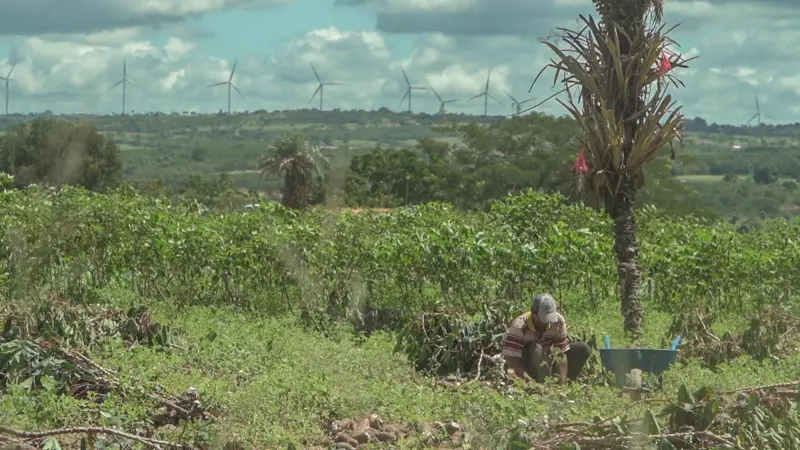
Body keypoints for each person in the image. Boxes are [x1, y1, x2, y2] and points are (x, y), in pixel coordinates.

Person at [502, 293, 592, 384]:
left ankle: (562, 383)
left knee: (583, 348)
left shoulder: (558, 322)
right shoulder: (519, 326)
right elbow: (512, 364)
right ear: (534, 313)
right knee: (535, 348)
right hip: (527, 367)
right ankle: (540, 384)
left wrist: (562, 381)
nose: (546, 324)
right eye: (542, 320)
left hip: (546, 362)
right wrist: (532, 383)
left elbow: (560, 353)